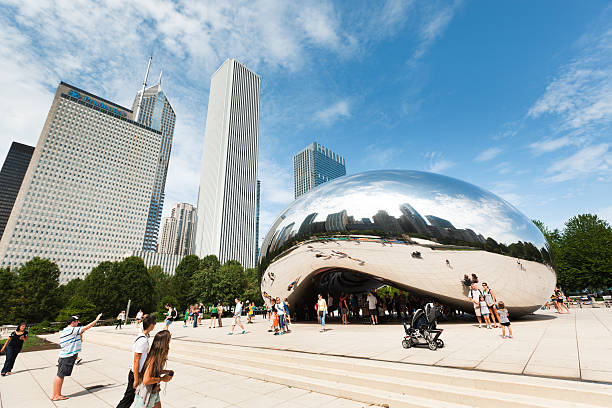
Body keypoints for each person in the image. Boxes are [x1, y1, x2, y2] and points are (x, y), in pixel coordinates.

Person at [51, 313, 102, 401]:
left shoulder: (67, 330)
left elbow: (81, 332)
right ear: (73, 322)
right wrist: (96, 320)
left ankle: (57, 394)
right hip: (67, 356)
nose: (78, 323)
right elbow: (87, 327)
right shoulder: (72, 330)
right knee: (60, 375)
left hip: (65, 356)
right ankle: (56, 395)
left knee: (60, 375)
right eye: (77, 321)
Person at [116, 314, 157, 408]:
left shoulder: (144, 336)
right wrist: (136, 379)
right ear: (151, 325)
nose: (155, 325)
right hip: (135, 373)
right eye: (154, 323)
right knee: (128, 398)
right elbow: (136, 360)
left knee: (131, 398)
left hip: (139, 373)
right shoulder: (142, 340)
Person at [131, 330, 173, 408]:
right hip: (147, 394)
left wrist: (165, 371)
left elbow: (153, 372)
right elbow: (146, 380)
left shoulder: (157, 356)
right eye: (169, 339)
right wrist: (162, 379)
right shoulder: (154, 358)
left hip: (154, 392)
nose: (170, 341)